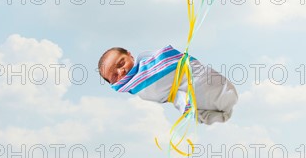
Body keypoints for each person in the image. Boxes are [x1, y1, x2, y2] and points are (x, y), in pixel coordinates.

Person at [98, 44, 238, 125]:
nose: (121, 71)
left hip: (198, 77)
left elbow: (174, 60)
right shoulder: (140, 91)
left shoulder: (155, 59)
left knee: (203, 83)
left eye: (121, 63)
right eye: (115, 75)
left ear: (130, 55)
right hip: (192, 96)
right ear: (114, 84)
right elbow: (169, 95)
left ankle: (220, 100)